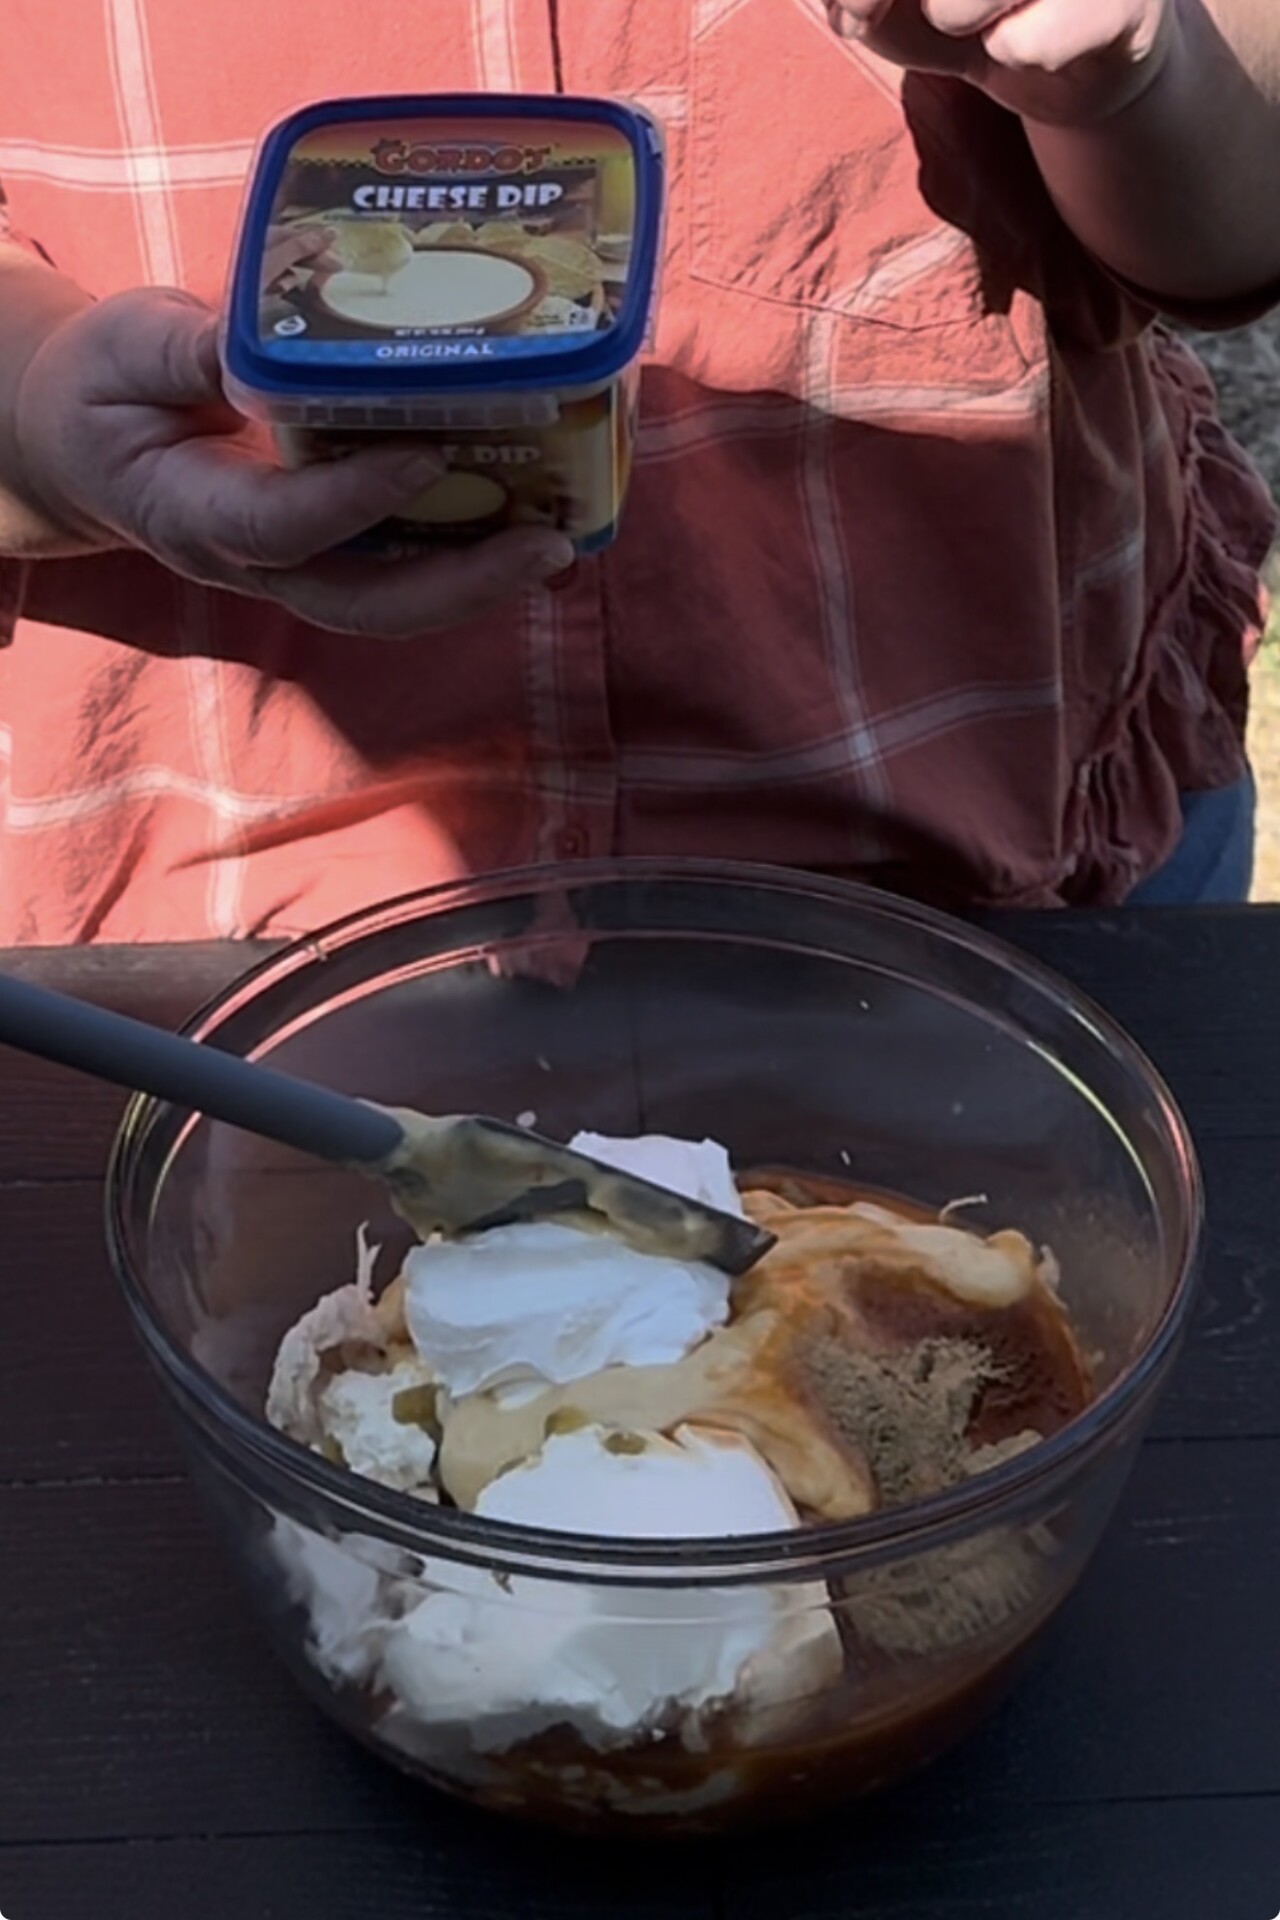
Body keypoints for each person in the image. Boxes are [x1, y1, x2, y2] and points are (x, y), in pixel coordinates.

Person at [0, 0, 1277, 944]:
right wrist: (39, 414)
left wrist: (1127, 76)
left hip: (1010, 839)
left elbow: (1237, 212)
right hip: (203, 909)